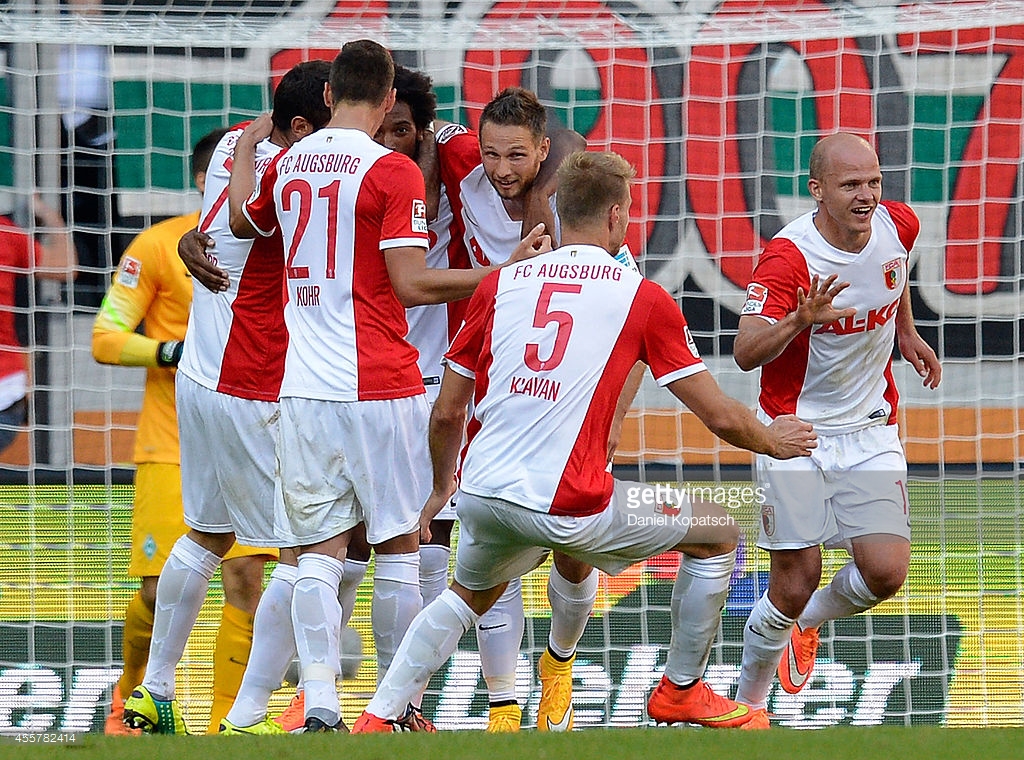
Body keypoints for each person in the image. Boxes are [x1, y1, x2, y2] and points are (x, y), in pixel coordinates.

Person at [352, 150, 817, 734]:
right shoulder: (641, 297)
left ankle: (378, 716)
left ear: (557, 211)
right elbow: (720, 415)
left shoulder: (498, 284)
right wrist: (772, 440)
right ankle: (680, 689)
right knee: (718, 530)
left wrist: (443, 485)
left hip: (485, 493)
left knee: (465, 595)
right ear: (617, 216)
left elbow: (447, 411)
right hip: (572, 503)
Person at [227, 39, 546, 734]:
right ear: (386, 97)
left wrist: (250, 145)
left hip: (303, 387)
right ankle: (397, 708)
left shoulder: (288, 162)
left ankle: (321, 705)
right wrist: (505, 275)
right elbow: (410, 283)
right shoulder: (390, 169)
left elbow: (240, 221)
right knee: (402, 547)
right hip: (380, 382)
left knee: (317, 553)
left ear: (327, 94)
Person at [122, 62, 333, 737]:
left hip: (200, 376)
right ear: (302, 126)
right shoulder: (293, 173)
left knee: (206, 536)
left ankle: (154, 691)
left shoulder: (233, 145)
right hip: (251, 377)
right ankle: (262, 715)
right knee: (305, 547)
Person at [731, 133, 941, 724]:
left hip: (871, 426)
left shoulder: (899, 224)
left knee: (886, 572)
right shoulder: (788, 258)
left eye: (874, 182)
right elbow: (746, 351)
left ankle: (807, 624)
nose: (866, 195)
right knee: (795, 579)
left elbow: (893, 274)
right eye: (851, 185)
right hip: (795, 431)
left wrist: (905, 330)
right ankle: (747, 708)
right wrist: (800, 318)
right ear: (817, 190)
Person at [93, 129, 273, 736]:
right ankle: (130, 697)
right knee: (155, 588)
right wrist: (171, 351)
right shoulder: (157, 245)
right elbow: (106, 337)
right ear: (205, 178)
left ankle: (228, 725)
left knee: (247, 577)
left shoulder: (273, 239)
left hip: (245, 433)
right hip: (170, 443)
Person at [0, 198, 76, 456]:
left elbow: (65, 266)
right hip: (7, 388)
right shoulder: (5, 233)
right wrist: (50, 215)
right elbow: (65, 264)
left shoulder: (6, 234)